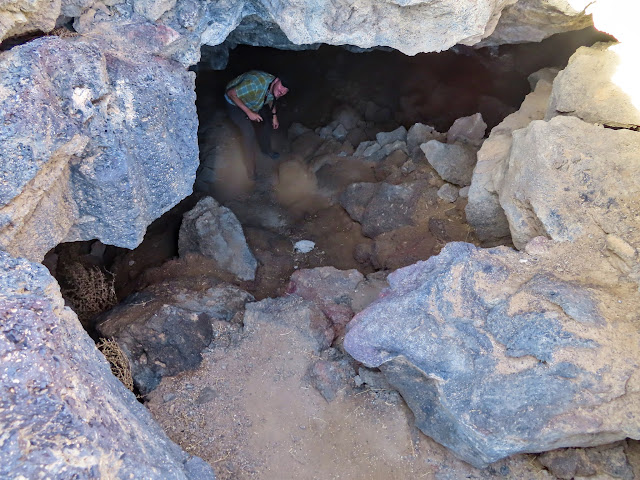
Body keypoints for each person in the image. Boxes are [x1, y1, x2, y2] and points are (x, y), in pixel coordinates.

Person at [224, 70, 290, 178]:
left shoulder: (274, 88)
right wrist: (249, 113)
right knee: (248, 133)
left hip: (253, 102)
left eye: (284, 92)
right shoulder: (254, 84)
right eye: (281, 88)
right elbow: (230, 93)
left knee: (266, 125)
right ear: (277, 80)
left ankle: (267, 150)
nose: (281, 92)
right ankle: (251, 172)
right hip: (234, 102)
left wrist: (274, 116)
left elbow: (271, 98)